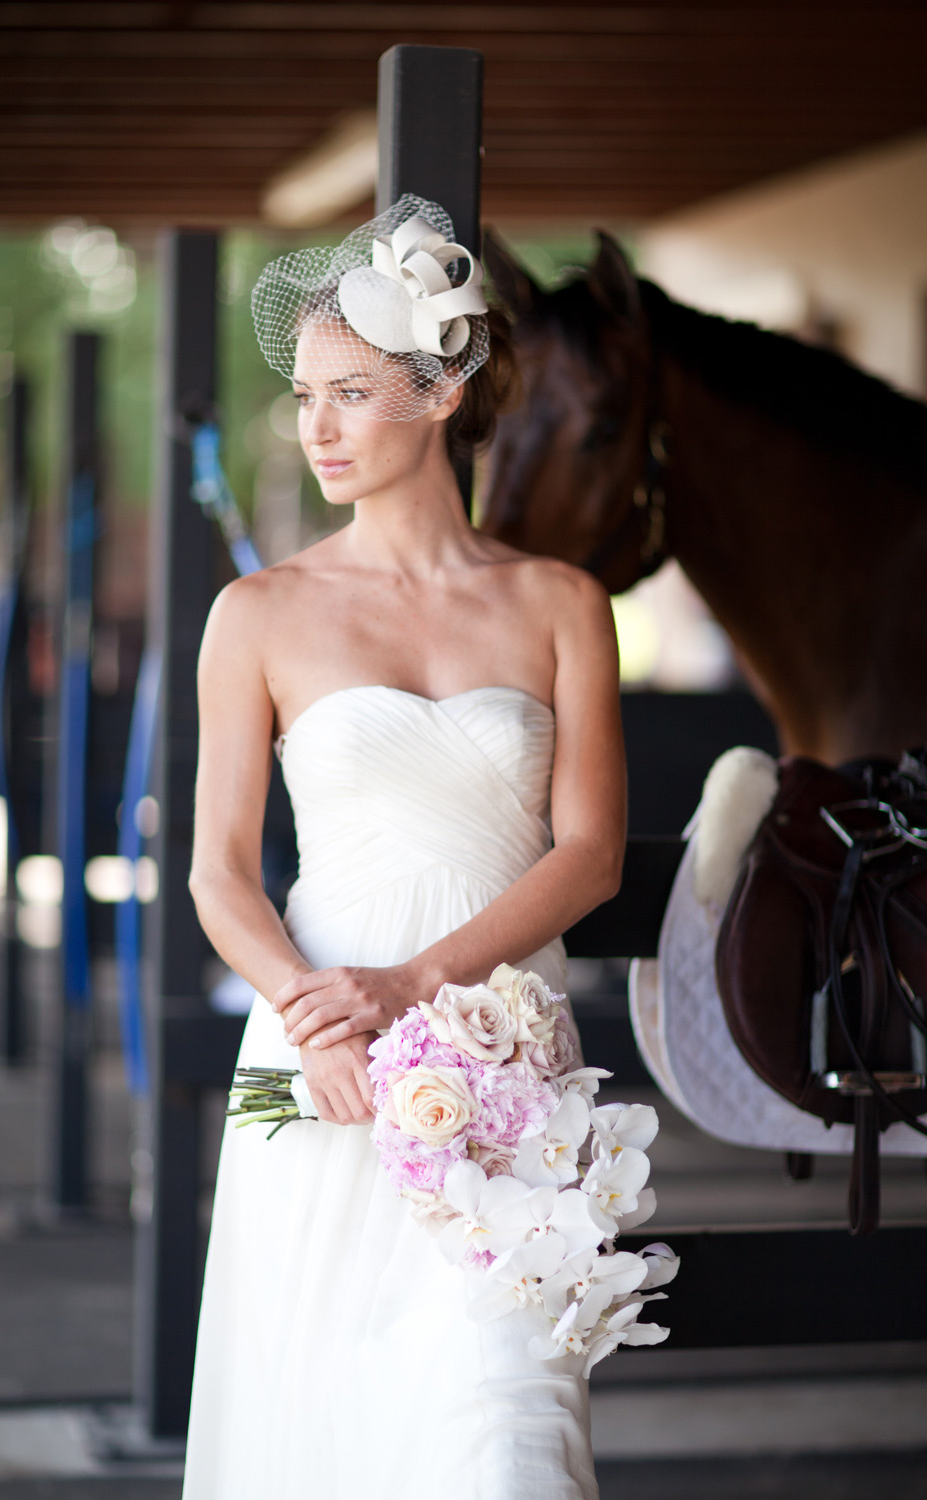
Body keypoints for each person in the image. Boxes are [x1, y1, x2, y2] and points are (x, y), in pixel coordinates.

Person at [182, 197, 626, 1500]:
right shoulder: (257, 614)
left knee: (505, 1434)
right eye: (304, 394)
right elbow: (217, 869)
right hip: (310, 1065)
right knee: (310, 1416)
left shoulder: (560, 603)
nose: (314, 425)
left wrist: (414, 988)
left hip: (499, 1052)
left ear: (439, 396)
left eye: (350, 394)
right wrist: (314, 1016)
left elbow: (591, 853)